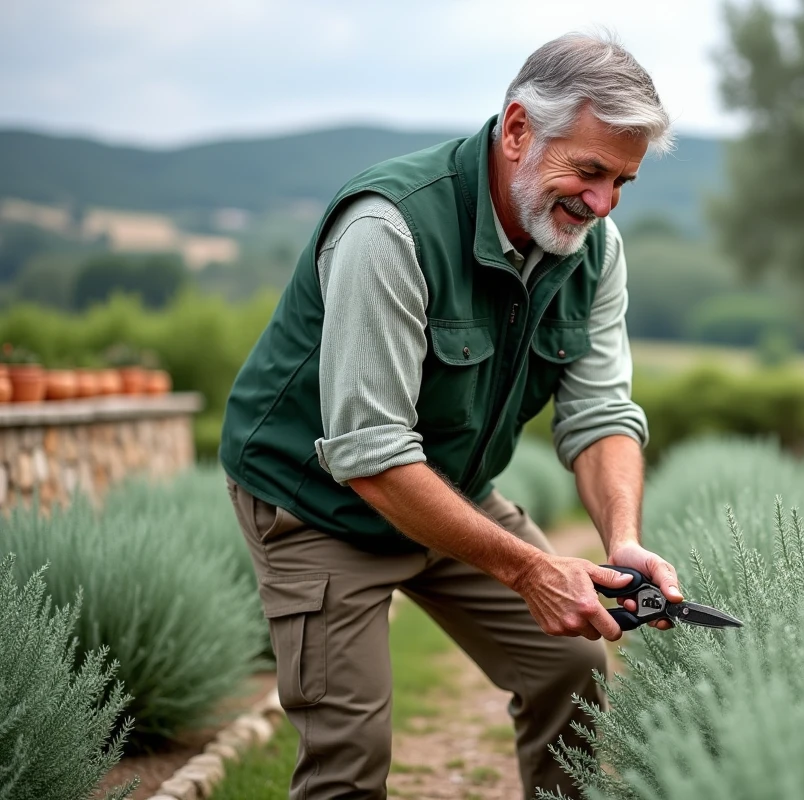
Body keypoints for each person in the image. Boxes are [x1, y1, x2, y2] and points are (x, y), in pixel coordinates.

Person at [219, 31, 683, 800]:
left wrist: (623, 540)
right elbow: (370, 454)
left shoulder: (594, 248)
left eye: (622, 182)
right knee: (349, 753)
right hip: (318, 503)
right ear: (517, 130)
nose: (602, 203)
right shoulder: (389, 228)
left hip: (448, 488)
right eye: (590, 171)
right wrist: (529, 569)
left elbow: (601, 412)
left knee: (571, 669)